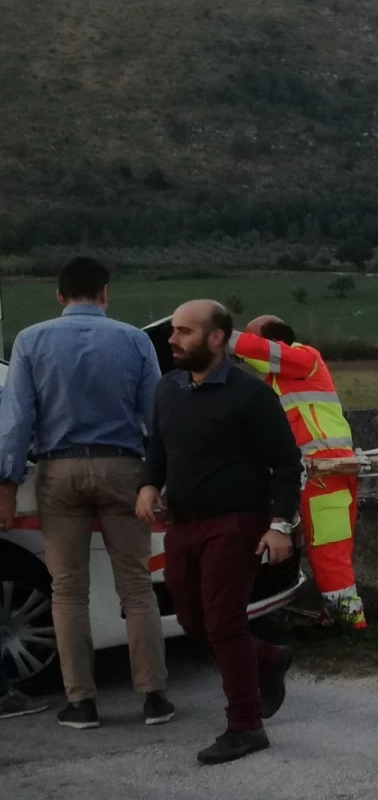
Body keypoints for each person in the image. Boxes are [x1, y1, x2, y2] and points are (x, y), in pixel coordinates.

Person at [0, 256, 171, 729]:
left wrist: (8, 485)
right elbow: (157, 418)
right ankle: (154, 697)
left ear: (59, 296)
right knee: (136, 587)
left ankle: (82, 703)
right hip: (123, 468)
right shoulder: (135, 340)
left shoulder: (30, 340)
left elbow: (15, 422)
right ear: (105, 293)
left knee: (67, 591)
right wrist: (160, 479)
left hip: (60, 470)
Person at [137, 300, 301, 765]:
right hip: (184, 523)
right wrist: (148, 485)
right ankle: (267, 659)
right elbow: (158, 449)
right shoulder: (168, 389)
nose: (172, 339)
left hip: (237, 522)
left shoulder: (251, 395)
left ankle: (245, 725)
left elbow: (287, 463)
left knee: (224, 621)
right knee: (192, 621)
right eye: (173, 330)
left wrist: (278, 524)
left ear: (216, 339)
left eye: (184, 332)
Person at [232, 315, 366, 629]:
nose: (245, 356)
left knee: (328, 549)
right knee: (321, 546)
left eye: (254, 345)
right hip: (313, 471)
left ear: (272, 342)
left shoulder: (305, 358)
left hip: (325, 470)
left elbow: (259, 351)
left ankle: (350, 622)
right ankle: (338, 615)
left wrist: (218, 336)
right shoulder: (278, 379)